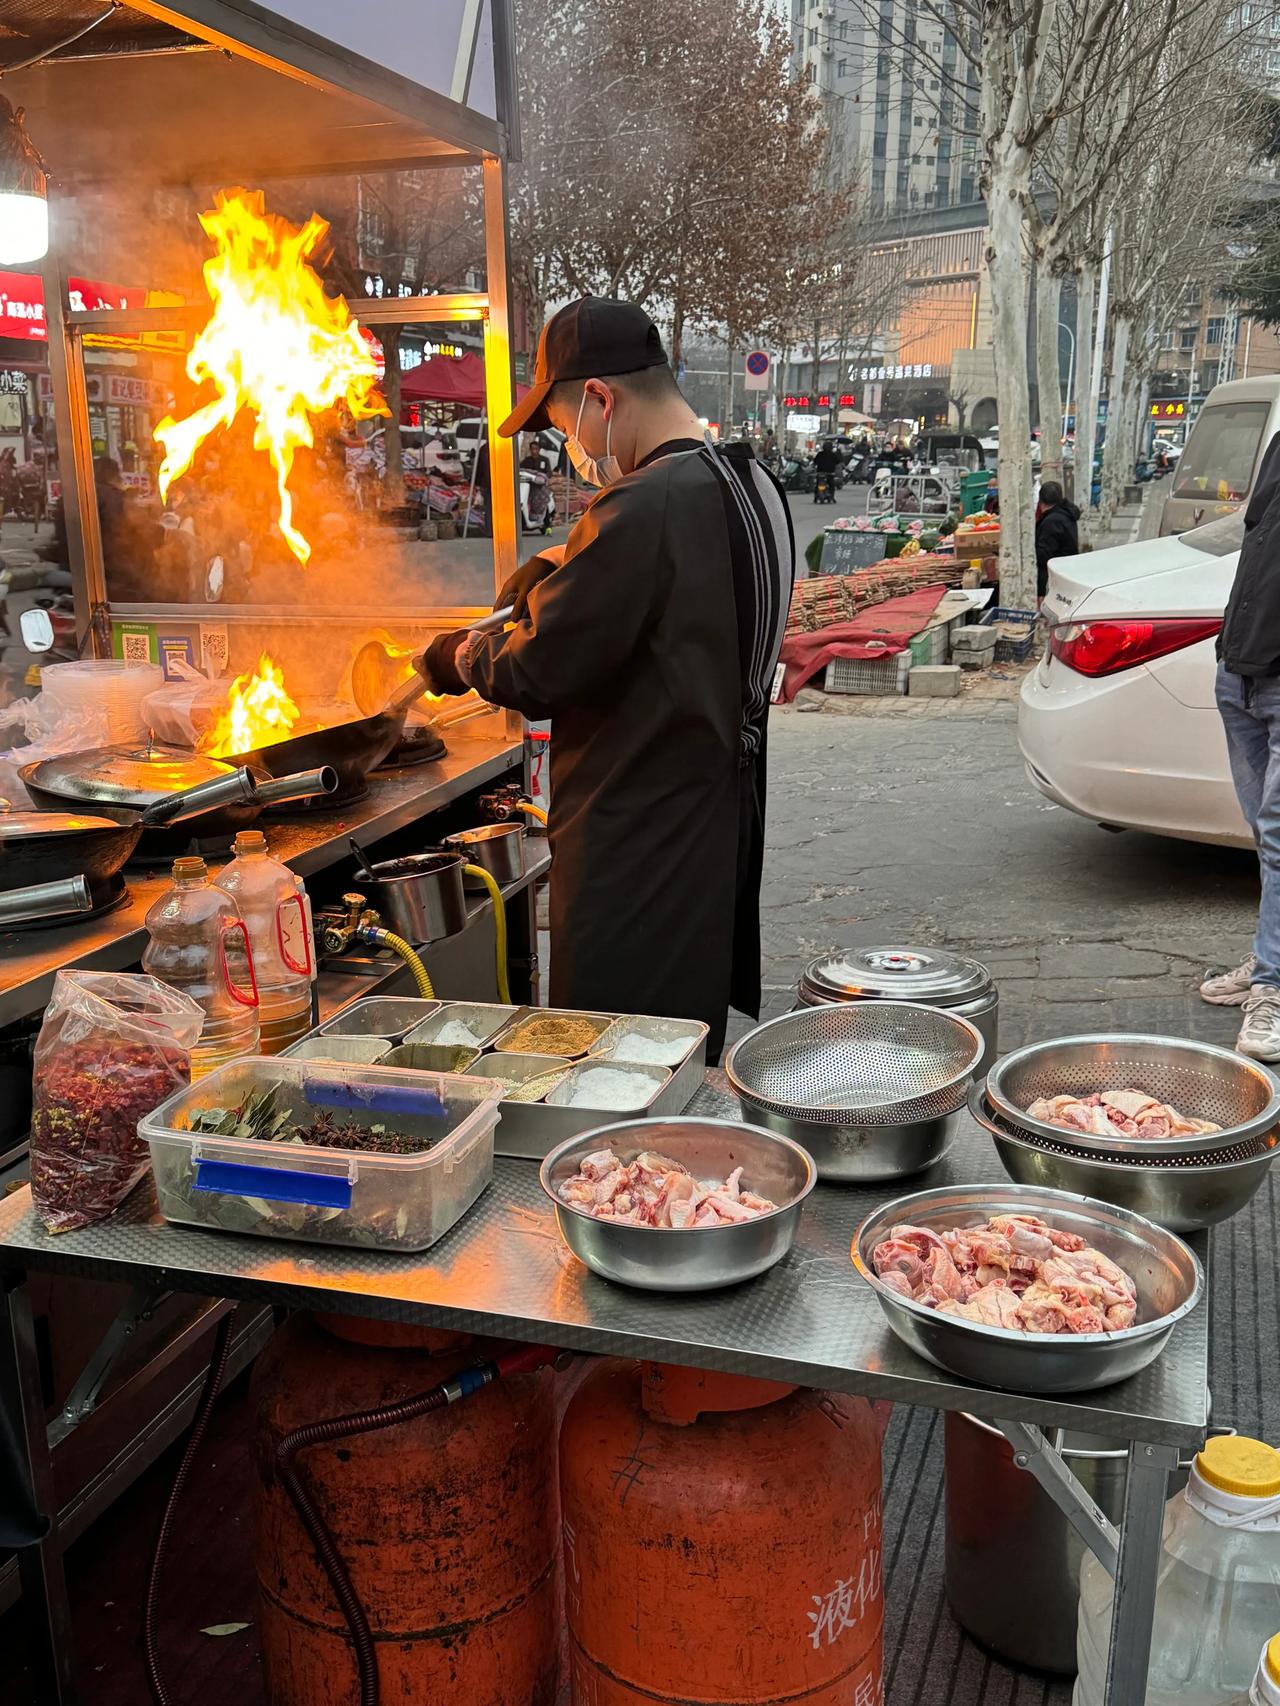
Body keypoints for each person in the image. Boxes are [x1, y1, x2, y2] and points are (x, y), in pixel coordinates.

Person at [418, 296, 795, 1059]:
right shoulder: (749, 483)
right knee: (681, 1044)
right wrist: (557, 570)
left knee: (616, 1061)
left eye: (562, 428)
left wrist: (457, 657)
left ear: (599, 398)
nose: (573, 451)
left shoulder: (646, 501)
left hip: (638, 843)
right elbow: (660, 609)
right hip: (712, 825)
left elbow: (537, 663)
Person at [1200, 432, 1280, 1058]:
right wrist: (1229, 651)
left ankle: (1272, 985)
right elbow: (1256, 545)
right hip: (1242, 672)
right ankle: (1267, 960)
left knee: (1279, 836)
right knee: (1265, 834)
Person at [1033, 479, 1079, 598]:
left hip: (1054, 577)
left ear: (1041, 501)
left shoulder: (1052, 521)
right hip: (1066, 571)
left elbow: (1044, 555)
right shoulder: (1065, 514)